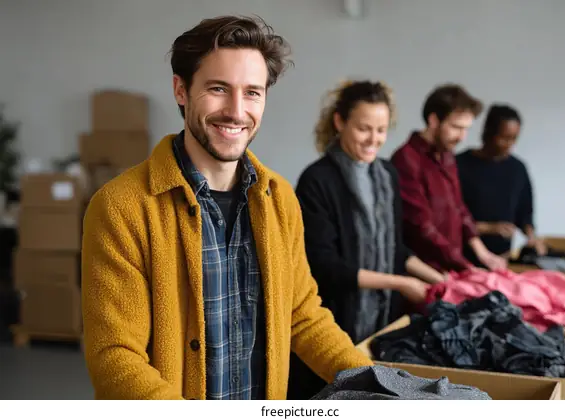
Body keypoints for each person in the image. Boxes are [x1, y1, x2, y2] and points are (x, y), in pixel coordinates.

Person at [80, 15, 373, 400]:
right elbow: (115, 358)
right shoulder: (122, 207)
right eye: (218, 88)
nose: (236, 111)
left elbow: (302, 316)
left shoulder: (279, 199)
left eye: (252, 92)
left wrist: (378, 385)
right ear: (181, 90)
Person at [287, 80, 445, 399]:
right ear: (339, 122)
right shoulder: (317, 180)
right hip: (332, 326)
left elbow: (396, 250)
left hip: (380, 325)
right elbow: (326, 267)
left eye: (381, 130)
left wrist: (441, 280)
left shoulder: (387, 175)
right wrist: (400, 284)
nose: (374, 139)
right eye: (364, 128)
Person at [390, 84, 507, 273]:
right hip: (422, 272)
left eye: (466, 129)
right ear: (434, 120)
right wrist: (465, 266)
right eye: (456, 127)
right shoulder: (406, 159)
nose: (462, 136)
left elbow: (459, 208)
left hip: (451, 268)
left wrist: (483, 254)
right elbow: (421, 227)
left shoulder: (447, 155)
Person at [456, 104, 546, 260]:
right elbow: (450, 218)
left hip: (502, 258)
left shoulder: (518, 169)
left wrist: (532, 238)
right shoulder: (459, 165)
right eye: (504, 138)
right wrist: (489, 228)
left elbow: (525, 214)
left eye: (514, 138)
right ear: (488, 133)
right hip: (463, 256)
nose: (509, 144)